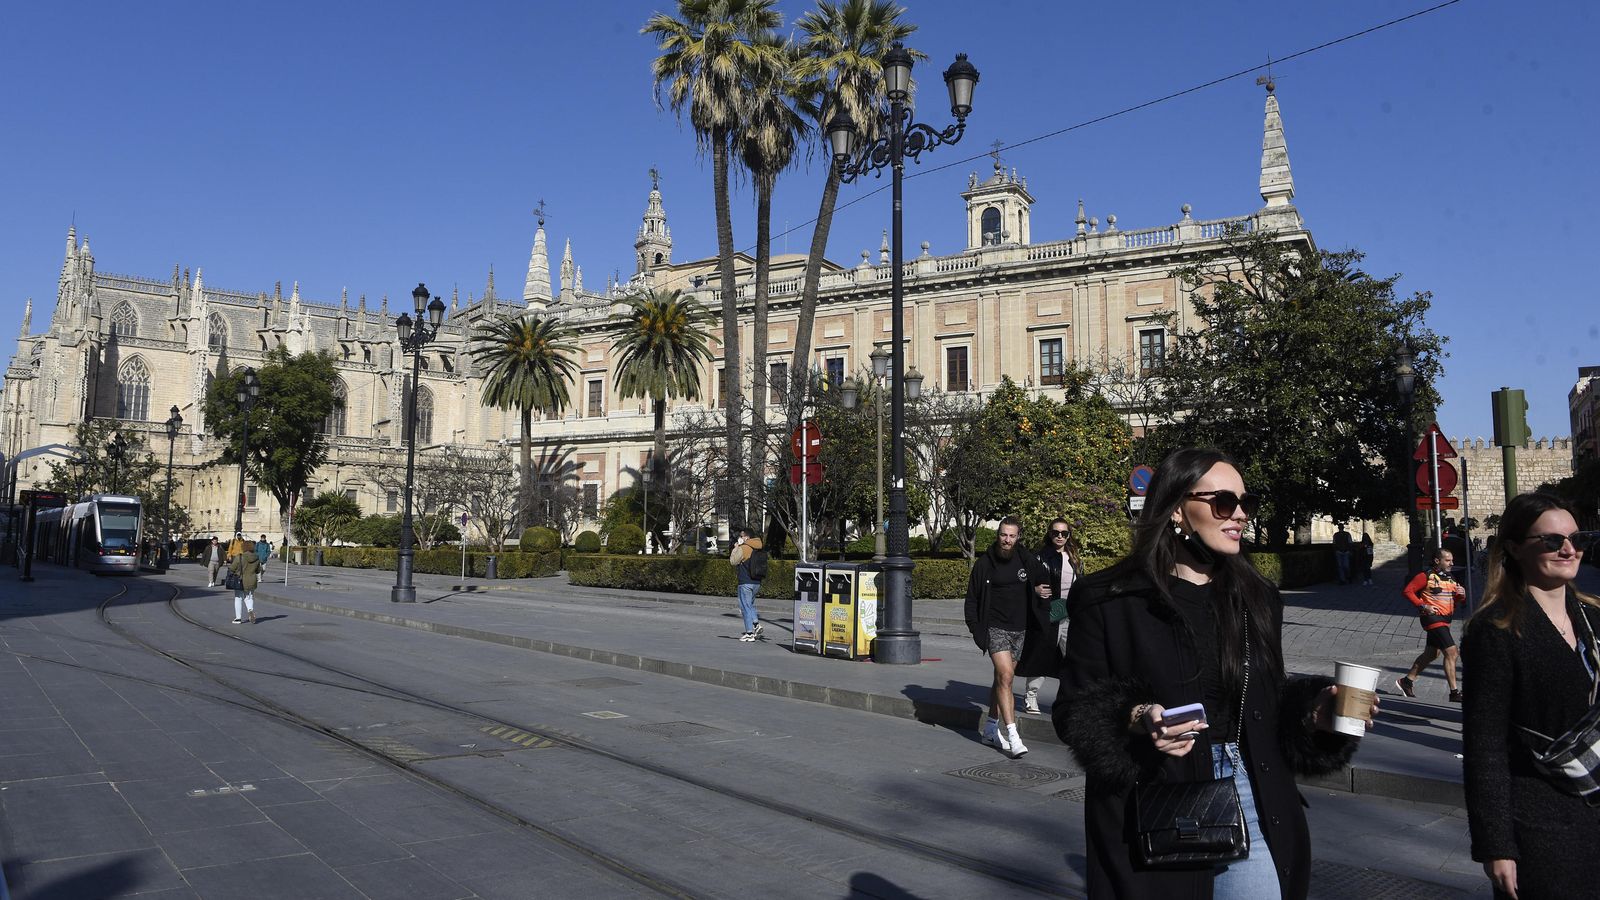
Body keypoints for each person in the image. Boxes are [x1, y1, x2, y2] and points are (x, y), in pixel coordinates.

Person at [1055, 448, 1368, 899]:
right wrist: (1138, 717)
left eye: (1245, 503)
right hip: (1156, 806)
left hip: (1253, 795)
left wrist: (1314, 714)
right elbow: (1073, 712)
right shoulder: (1110, 598)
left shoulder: (1256, 597)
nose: (1239, 514)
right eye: (1223, 502)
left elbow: (1266, 704)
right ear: (1178, 509)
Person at [1463, 492, 1599, 900]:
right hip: (1540, 819)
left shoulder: (1592, 616)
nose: (1570, 549)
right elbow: (1484, 744)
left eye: (1578, 538)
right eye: (1552, 541)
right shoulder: (1496, 629)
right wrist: (1497, 846)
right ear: (1514, 549)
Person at [963, 517, 1052, 757]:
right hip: (995, 628)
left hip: (1020, 629)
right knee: (1006, 676)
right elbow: (971, 600)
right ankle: (1013, 735)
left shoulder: (1026, 559)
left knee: (1002, 681)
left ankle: (990, 728)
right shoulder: (984, 564)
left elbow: (1044, 578)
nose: (1007, 540)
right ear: (997, 534)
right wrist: (975, 628)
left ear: (1018, 537)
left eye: (1012, 536)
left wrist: (1036, 591)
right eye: (1003, 535)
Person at [1021, 518, 1078, 715]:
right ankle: (1031, 696)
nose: (1060, 536)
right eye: (1056, 532)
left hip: (1069, 614)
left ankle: (1071, 700)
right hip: (1048, 612)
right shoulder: (1039, 557)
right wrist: (1034, 589)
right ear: (1049, 533)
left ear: (1069, 535)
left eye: (1064, 533)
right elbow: (1024, 581)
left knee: (1073, 659)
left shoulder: (1074, 556)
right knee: (1042, 656)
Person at [1395, 548, 1466, 702]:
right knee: (1452, 652)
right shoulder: (1425, 576)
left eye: (1452, 560)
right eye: (1447, 560)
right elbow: (1407, 591)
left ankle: (1406, 681)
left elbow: (1455, 600)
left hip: (1445, 620)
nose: (1451, 563)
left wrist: (1461, 595)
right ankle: (1454, 693)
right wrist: (1422, 605)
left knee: (1432, 654)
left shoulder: (1451, 578)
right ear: (1437, 561)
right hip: (1433, 619)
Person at [728, 527, 767, 642]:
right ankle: (755, 626)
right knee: (749, 605)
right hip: (756, 582)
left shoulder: (744, 548)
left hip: (745, 582)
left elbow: (733, 561)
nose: (740, 538)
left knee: (745, 607)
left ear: (746, 537)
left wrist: (736, 548)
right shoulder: (759, 546)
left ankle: (750, 632)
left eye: (741, 536)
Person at [227, 538, 262, 624]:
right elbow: (258, 570)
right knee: (249, 597)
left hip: (240, 580)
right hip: (252, 580)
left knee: (238, 598)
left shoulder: (240, 557)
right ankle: (250, 610)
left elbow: (232, 568)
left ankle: (238, 618)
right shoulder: (256, 558)